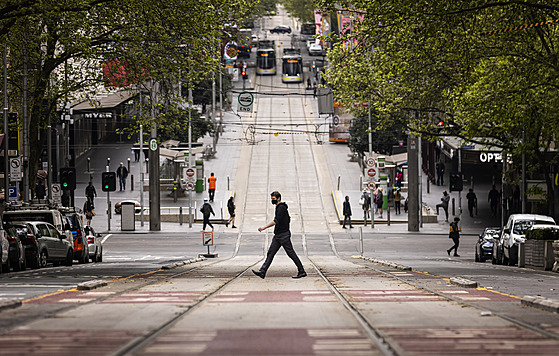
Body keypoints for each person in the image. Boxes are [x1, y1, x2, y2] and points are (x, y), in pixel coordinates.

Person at [252, 191, 306, 279]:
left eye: (273, 199)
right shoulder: (279, 207)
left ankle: (302, 271)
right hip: (278, 236)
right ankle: (263, 271)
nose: (272, 201)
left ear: (278, 198)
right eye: (271, 199)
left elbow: (276, 220)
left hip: (283, 235)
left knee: (291, 254)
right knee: (271, 253)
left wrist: (264, 227)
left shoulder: (281, 208)